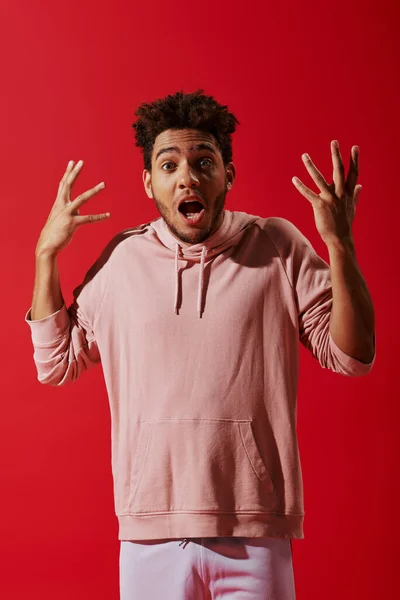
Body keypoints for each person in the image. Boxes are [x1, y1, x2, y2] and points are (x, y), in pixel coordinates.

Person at [25, 89, 376, 599]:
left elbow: (353, 355)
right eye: (168, 165)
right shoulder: (123, 261)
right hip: (150, 534)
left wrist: (340, 245)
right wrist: (45, 257)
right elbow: (55, 363)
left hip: (256, 532)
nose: (187, 176)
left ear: (227, 175)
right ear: (149, 182)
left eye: (203, 161)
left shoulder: (275, 244)